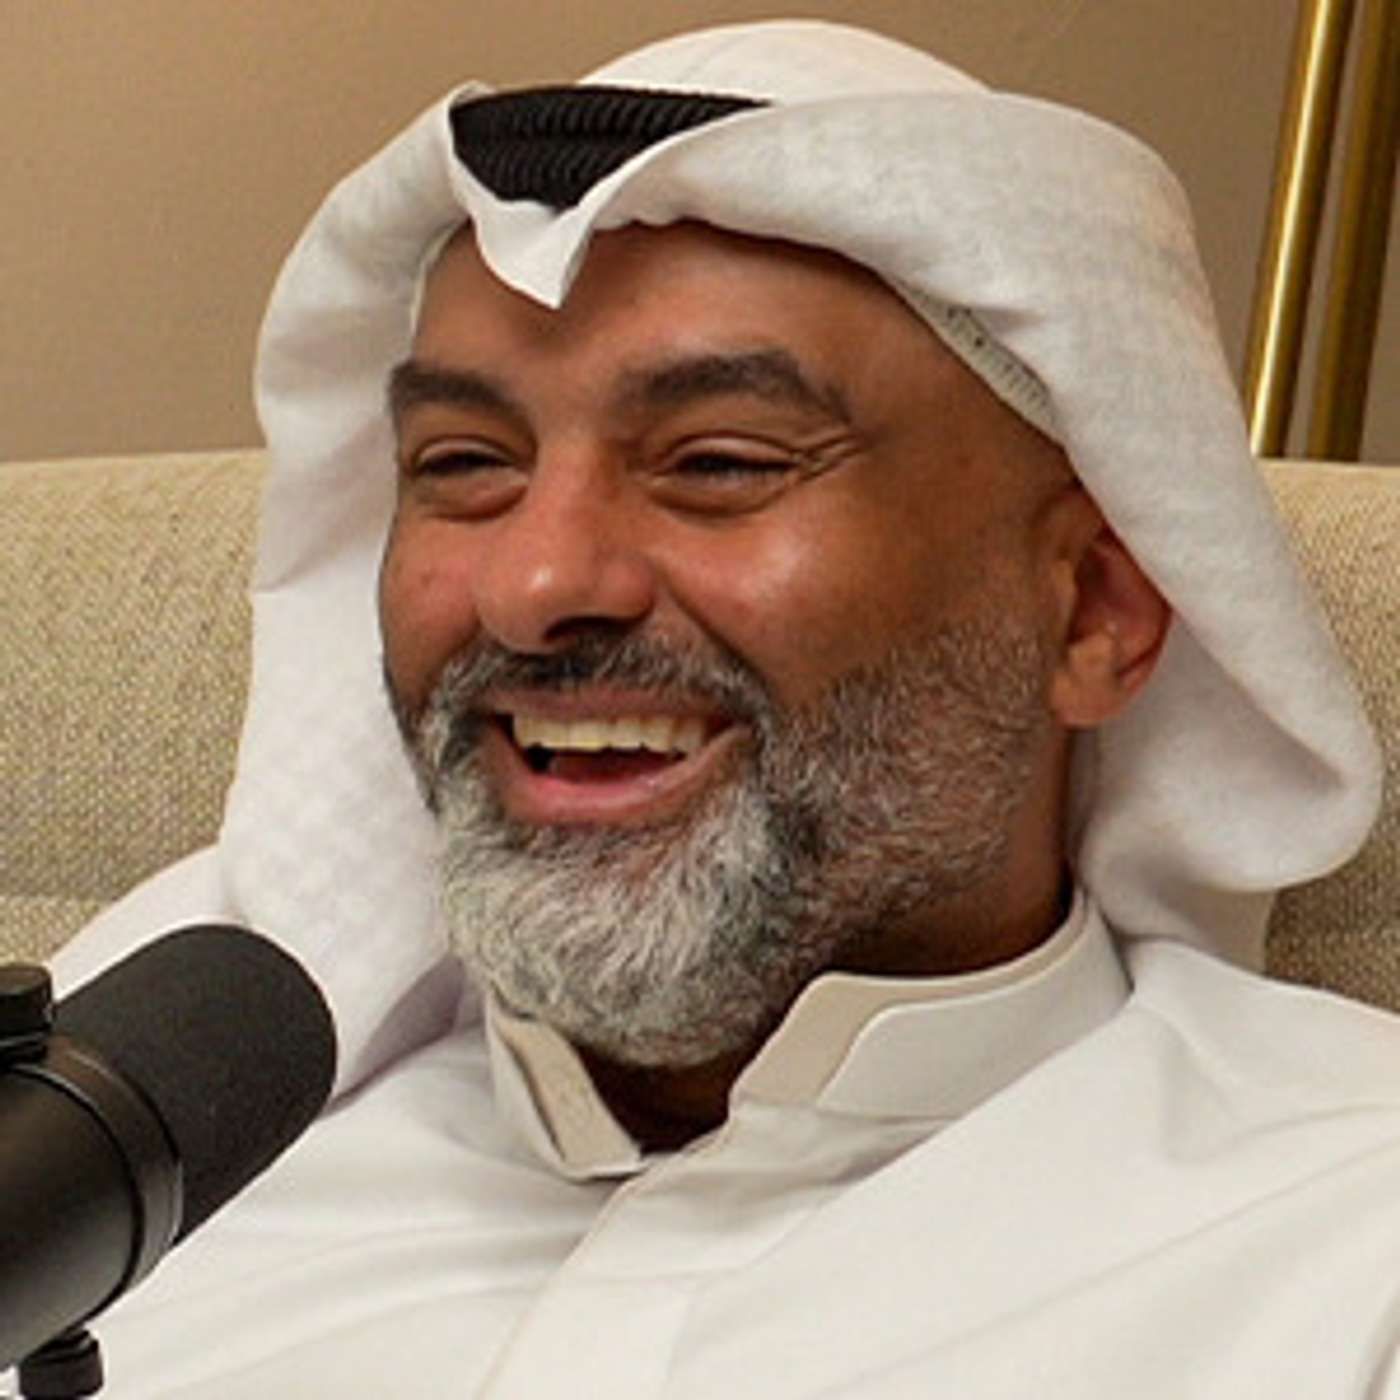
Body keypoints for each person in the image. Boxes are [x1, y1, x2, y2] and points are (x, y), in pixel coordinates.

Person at [49, 19, 1400, 1397]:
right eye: (463, 465)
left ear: (1095, 610)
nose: (536, 585)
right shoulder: (108, 1177)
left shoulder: (1352, 1239)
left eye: (719, 463)